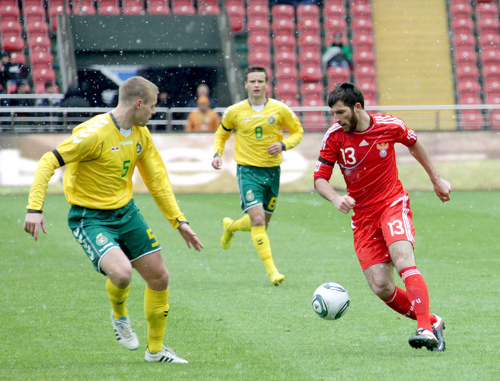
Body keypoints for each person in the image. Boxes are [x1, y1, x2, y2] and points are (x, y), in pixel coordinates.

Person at [23, 76, 204, 363]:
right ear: (138, 103)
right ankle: (119, 315)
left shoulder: (139, 134)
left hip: (125, 212)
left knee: (159, 277)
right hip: (89, 216)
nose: (155, 112)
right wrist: (35, 209)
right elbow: (48, 161)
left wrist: (179, 221)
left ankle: (155, 351)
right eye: (153, 106)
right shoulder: (93, 134)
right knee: (122, 274)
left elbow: (156, 179)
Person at [313, 82, 451, 351]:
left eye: (341, 113)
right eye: (333, 114)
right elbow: (320, 179)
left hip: (391, 203)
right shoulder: (333, 137)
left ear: (358, 107)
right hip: (363, 216)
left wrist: (436, 179)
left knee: (403, 260)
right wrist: (336, 198)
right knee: (380, 286)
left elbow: (414, 144)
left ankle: (423, 327)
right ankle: (432, 321)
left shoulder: (390, 125)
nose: (337, 119)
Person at [211, 66, 304, 286]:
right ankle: (273, 272)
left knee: (262, 223)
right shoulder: (234, 111)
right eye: (252, 81)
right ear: (245, 84)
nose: (256, 85)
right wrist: (217, 154)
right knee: (258, 219)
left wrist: (283, 144)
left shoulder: (280, 110)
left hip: (272, 172)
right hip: (248, 171)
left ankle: (231, 226)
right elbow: (221, 134)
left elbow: (298, 132)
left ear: (266, 84)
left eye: (260, 81)